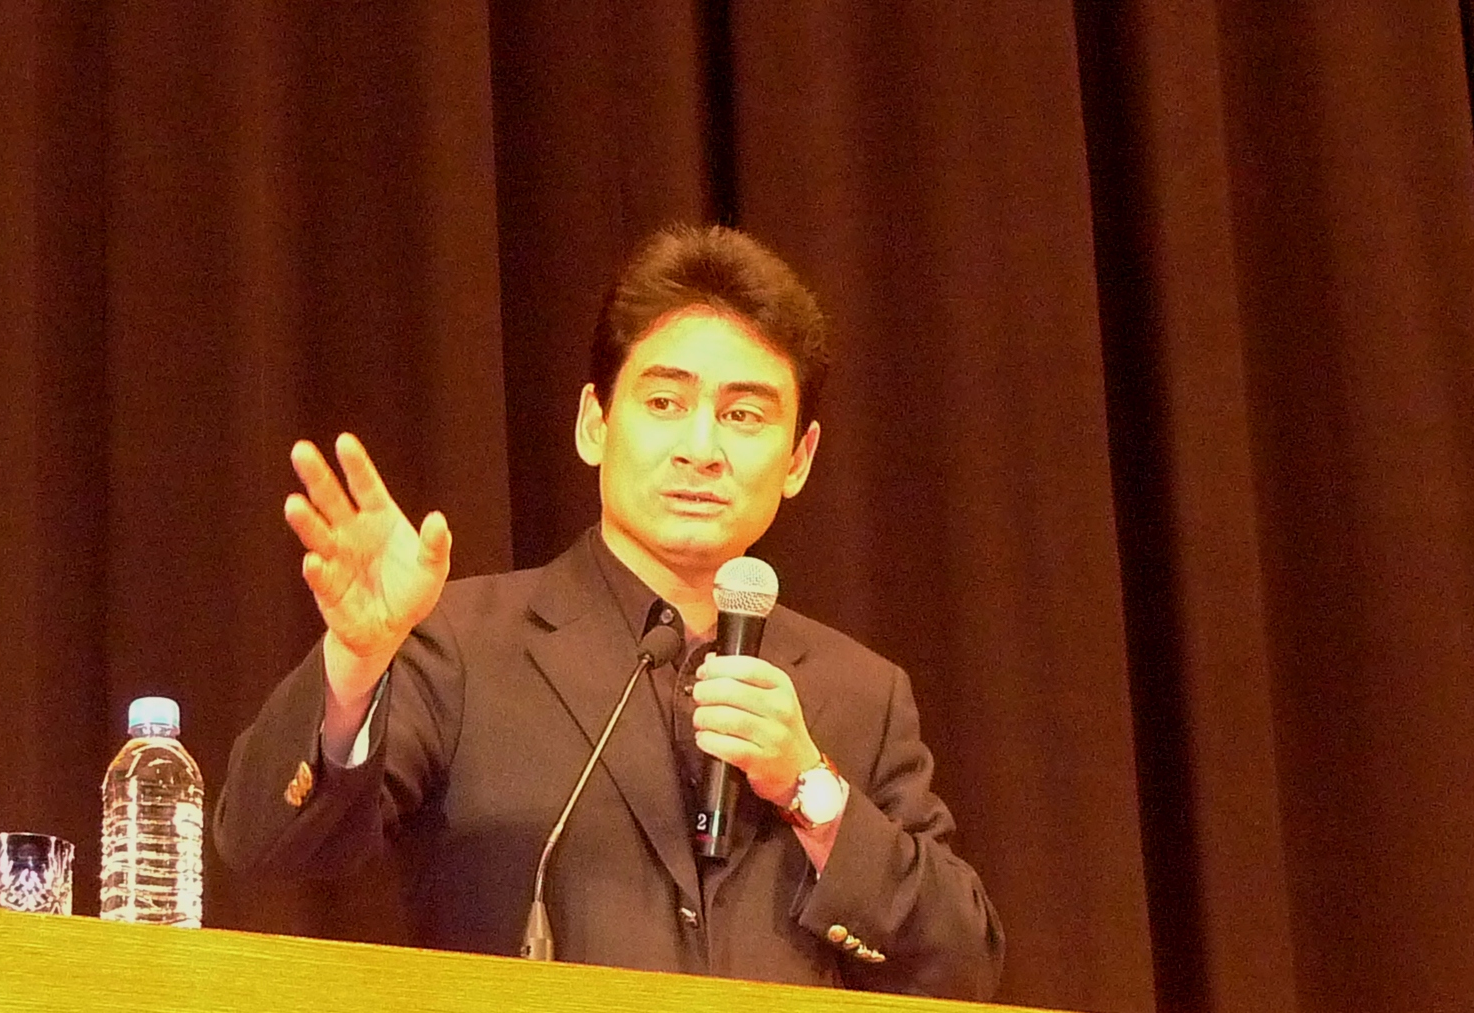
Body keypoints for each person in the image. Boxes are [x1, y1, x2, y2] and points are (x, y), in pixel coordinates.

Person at [214, 225, 1004, 998]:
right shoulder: (462, 644)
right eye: (664, 402)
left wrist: (809, 789)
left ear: (798, 458)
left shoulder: (860, 693)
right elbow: (264, 844)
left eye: (743, 415)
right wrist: (354, 665)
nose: (701, 448)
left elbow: (961, 964)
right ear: (594, 424)